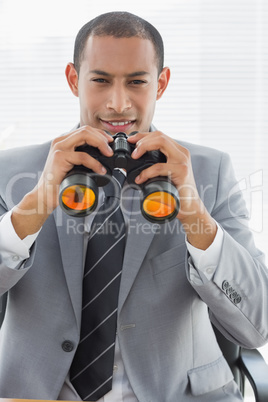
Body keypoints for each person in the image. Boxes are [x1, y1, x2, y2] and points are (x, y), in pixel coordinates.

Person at [0, 11, 267, 402]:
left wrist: (195, 215)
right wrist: (35, 204)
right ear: (75, 80)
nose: (118, 103)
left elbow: (257, 325)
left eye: (137, 82)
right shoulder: (14, 171)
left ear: (160, 84)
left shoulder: (208, 170)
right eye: (101, 80)